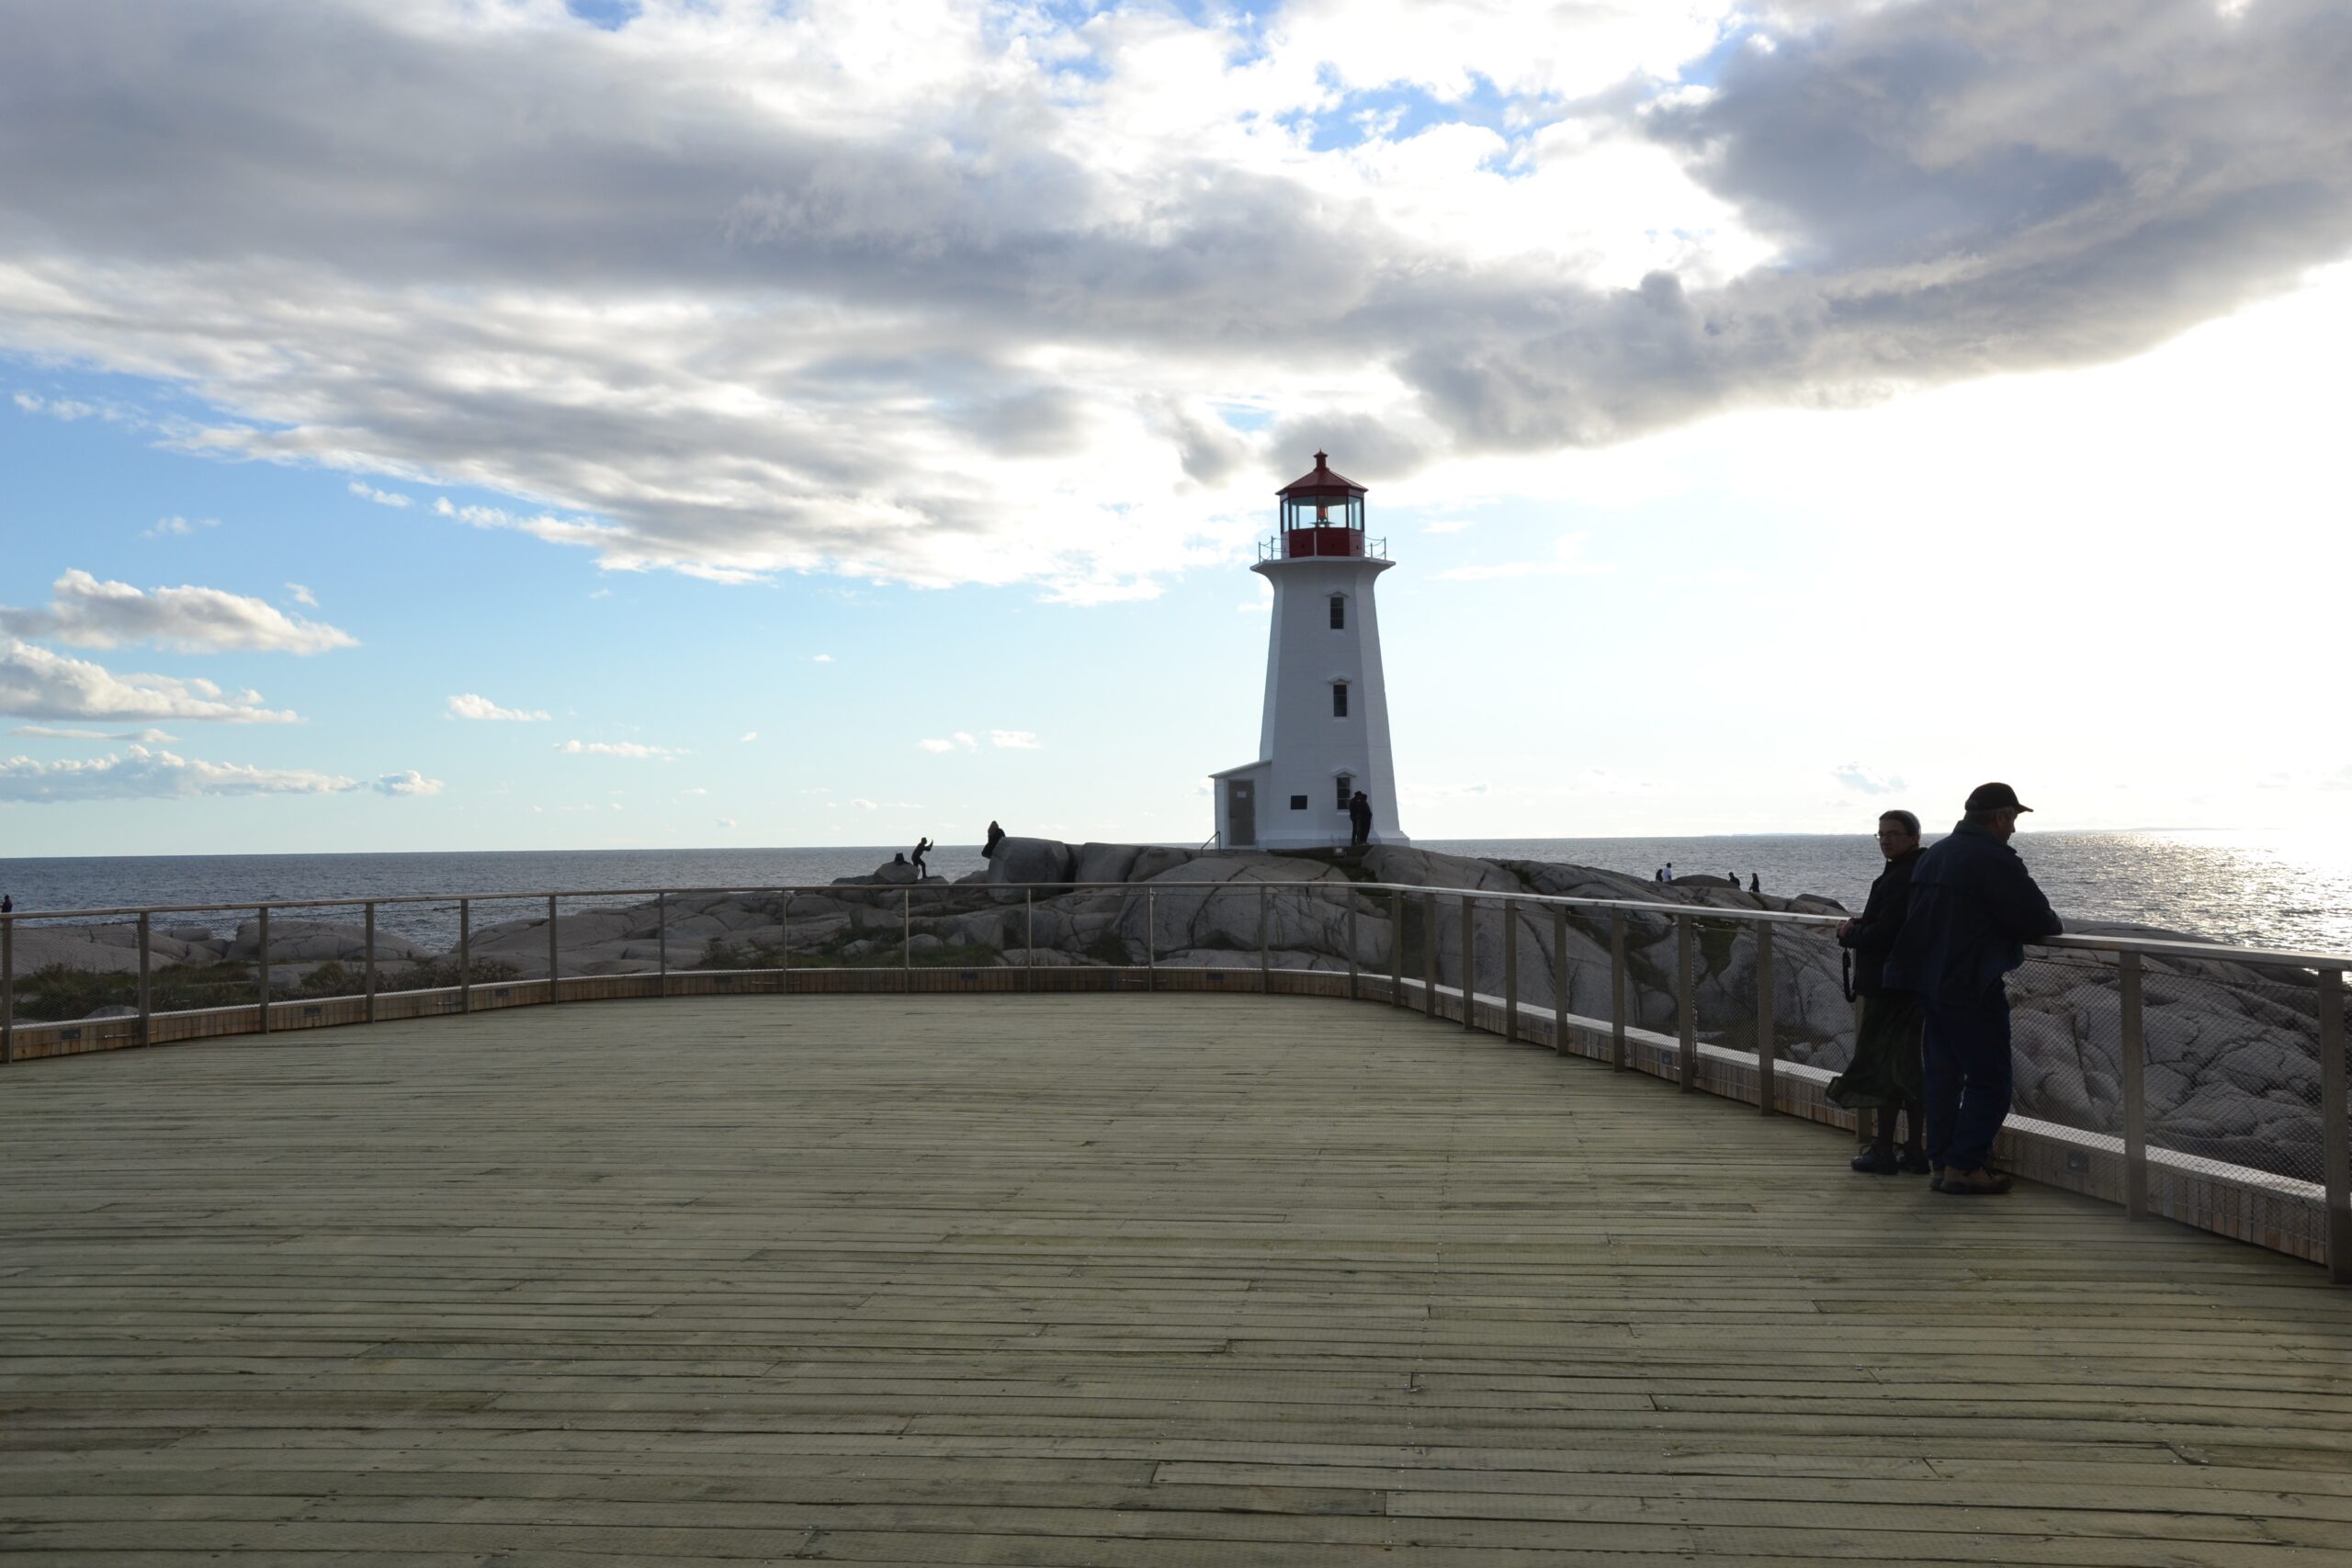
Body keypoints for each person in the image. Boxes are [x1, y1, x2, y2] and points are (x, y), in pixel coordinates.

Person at [1885, 783, 2063, 1197]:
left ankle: (1942, 1163)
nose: (2014, 829)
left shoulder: (1937, 854)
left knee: (1943, 1077)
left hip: (1928, 982)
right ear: (2000, 817)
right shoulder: (1992, 857)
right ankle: (1964, 1166)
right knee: (1990, 1078)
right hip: (1969, 984)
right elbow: (2039, 920)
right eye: (2013, 820)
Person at [1827, 811, 1929, 1176]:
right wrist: (1861, 924)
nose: (1885, 840)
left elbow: (1886, 934)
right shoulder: (1917, 872)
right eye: (1881, 834)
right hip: (1911, 985)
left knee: (1885, 1068)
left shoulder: (1901, 877)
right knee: (1909, 1068)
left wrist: (1849, 934)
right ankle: (1915, 1150)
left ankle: (1884, 1150)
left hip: (1888, 987)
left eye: (1894, 834)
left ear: (1913, 837)